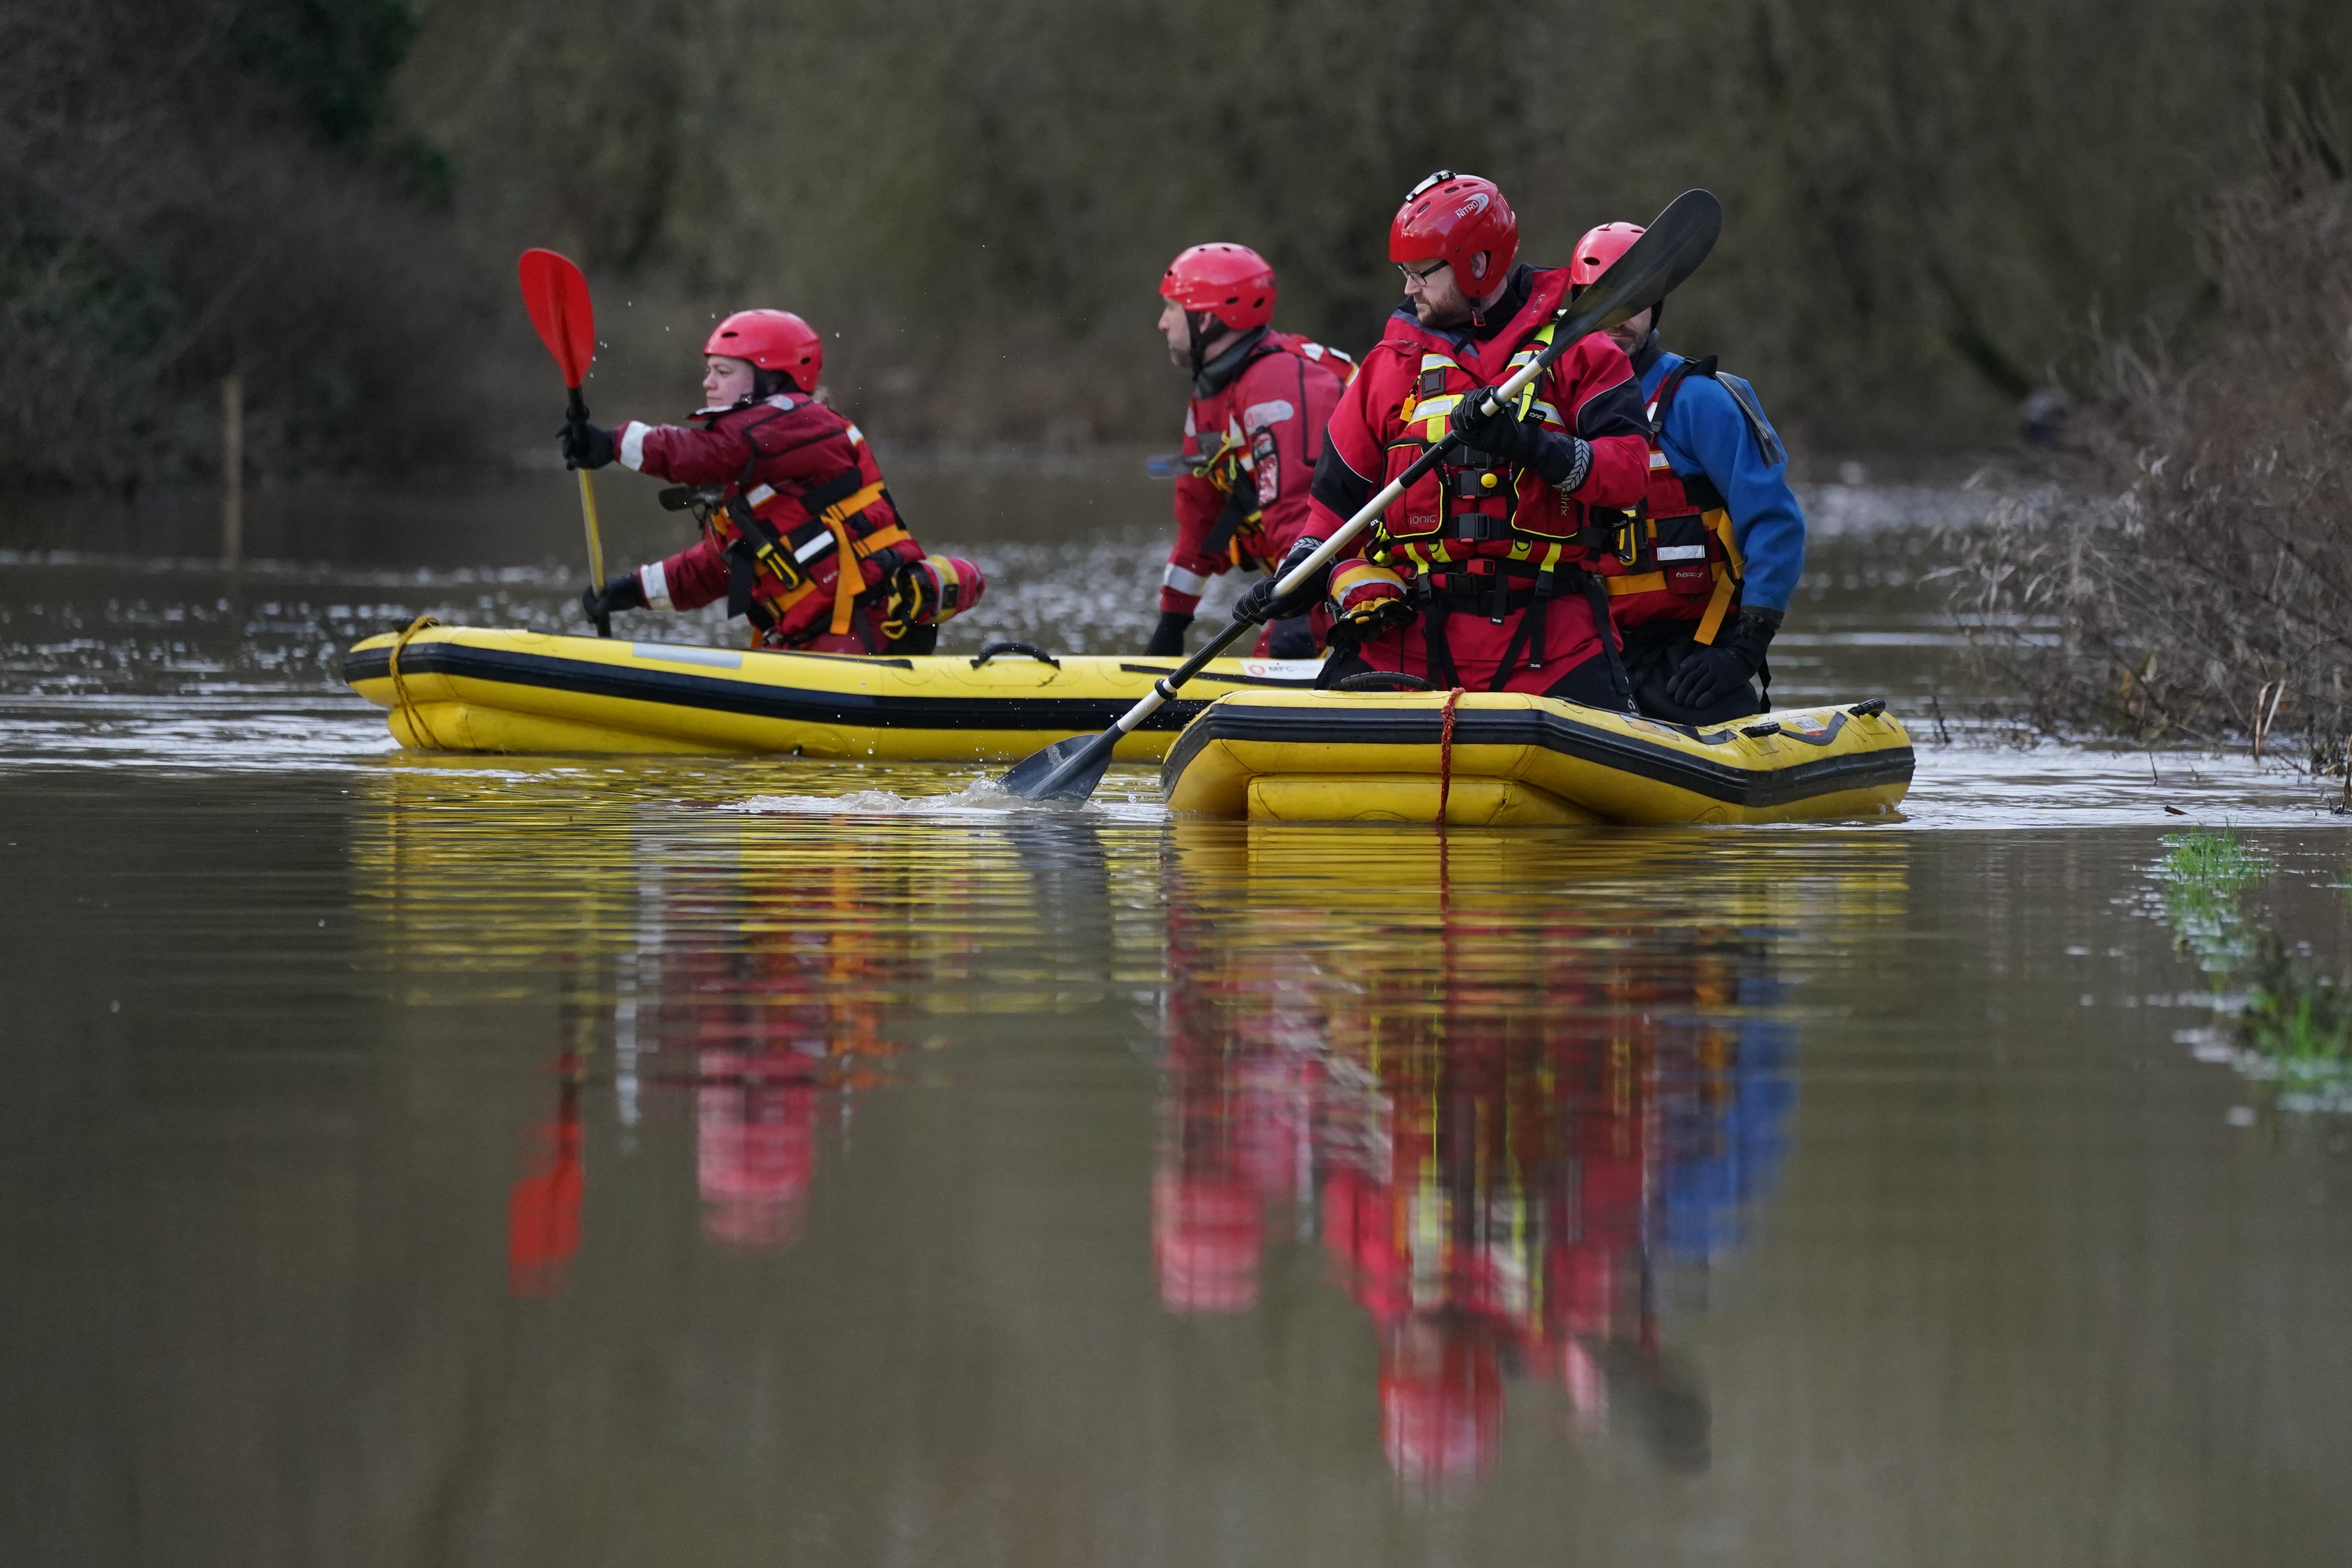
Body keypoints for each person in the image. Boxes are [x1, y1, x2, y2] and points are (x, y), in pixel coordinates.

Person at [1273, 172, 1651, 700]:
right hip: (1410, 637)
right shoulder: (1390, 365)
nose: (1408, 289)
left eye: (1421, 274)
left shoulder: (1582, 352)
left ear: (1477, 265)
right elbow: (1333, 507)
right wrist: (1298, 572)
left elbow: (1630, 473)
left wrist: (1531, 445)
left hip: (1553, 640)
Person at [563, 309, 983, 654]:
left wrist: (615, 443)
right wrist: (630, 591)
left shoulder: (802, 423)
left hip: (865, 636)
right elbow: (716, 567)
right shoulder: (755, 466)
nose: (708, 383)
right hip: (813, 647)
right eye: (709, 370)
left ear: (771, 380)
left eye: (723, 371)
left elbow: (707, 454)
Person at [1569, 221, 1805, 723]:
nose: (1617, 321)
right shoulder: (1558, 407)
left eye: (1633, 303)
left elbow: (1775, 524)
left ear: (1656, 307)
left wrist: (1743, 651)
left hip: (1694, 656)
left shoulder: (1701, 401)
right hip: (1589, 655)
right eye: (1603, 303)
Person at [1147, 244, 1352, 659]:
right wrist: (1170, 626)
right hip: (1311, 575)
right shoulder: (1214, 393)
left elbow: (1301, 513)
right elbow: (1202, 523)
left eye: (1172, 309)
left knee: (1277, 653)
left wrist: (1293, 616)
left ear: (1205, 319)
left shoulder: (1276, 385)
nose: (1162, 324)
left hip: (1351, 574)